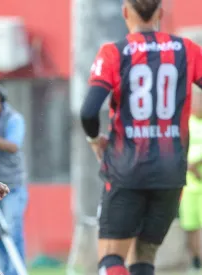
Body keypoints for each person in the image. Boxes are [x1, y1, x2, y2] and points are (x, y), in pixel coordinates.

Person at [79, 0, 202, 274]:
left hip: (127, 168)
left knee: (111, 259)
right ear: (160, 12)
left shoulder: (114, 52)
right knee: (144, 258)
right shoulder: (187, 50)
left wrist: (94, 139)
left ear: (125, 12)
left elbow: (88, 111)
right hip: (171, 173)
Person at [0, 81, 28, 275]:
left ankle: (16, 271)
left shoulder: (14, 119)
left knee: (12, 231)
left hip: (12, 186)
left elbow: (13, 145)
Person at [179, 86, 202, 272]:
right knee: (190, 226)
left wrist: (197, 163)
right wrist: (189, 166)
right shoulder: (186, 123)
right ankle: (195, 262)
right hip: (188, 185)